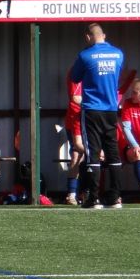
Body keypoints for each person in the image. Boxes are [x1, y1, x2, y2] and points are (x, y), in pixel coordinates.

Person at [70, 22, 124, 209]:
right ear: (104, 35)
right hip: (111, 109)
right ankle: (116, 197)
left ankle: (94, 198)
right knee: (112, 152)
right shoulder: (118, 54)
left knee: (92, 152)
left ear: (88, 37)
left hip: (92, 110)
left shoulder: (85, 55)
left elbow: (75, 77)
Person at [63, 70, 85, 205]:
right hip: (76, 119)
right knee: (77, 155)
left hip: (92, 119)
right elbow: (75, 98)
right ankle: (71, 194)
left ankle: (89, 192)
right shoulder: (76, 74)